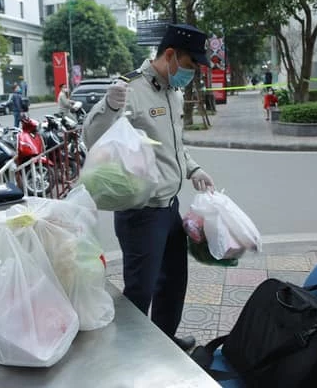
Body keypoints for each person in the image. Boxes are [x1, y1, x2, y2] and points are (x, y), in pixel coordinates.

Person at [82, 24, 216, 352]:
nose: (192, 73)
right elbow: (92, 138)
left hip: (169, 208)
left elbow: (174, 145)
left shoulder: (172, 91)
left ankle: (165, 344)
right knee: (140, 292)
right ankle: (133, 357)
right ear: (169, 55)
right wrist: (109, 107)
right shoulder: (130, 89)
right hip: (141, 214)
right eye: (190, 65)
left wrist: (193, 168)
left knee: (173, 283)